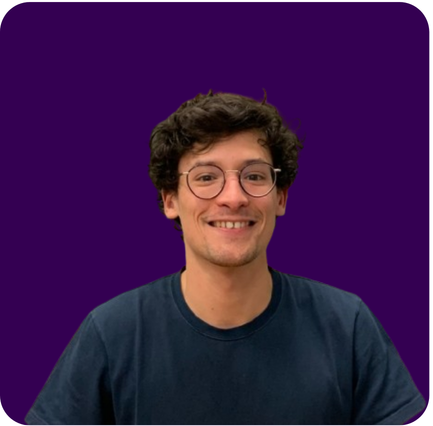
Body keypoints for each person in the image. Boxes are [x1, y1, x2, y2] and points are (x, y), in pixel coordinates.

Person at [25, 91, 425, 425]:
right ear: (170, 200)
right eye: (206, 177)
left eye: (254, 176)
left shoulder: (348, 325)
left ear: (280, 197)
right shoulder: (110, 334)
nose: (233, 197)